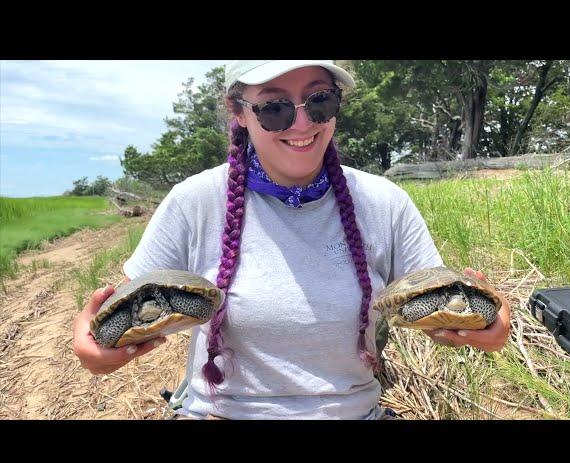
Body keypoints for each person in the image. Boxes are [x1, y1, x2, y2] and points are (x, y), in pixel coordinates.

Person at [72, 60, 511, 420]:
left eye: (319, 101)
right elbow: (129, 302)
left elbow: (430, 304)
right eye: (275, 108)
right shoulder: (195, 201)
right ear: (239, 112)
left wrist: (475, 325)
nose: (302, 122)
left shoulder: (384, 203)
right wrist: (97, 345)